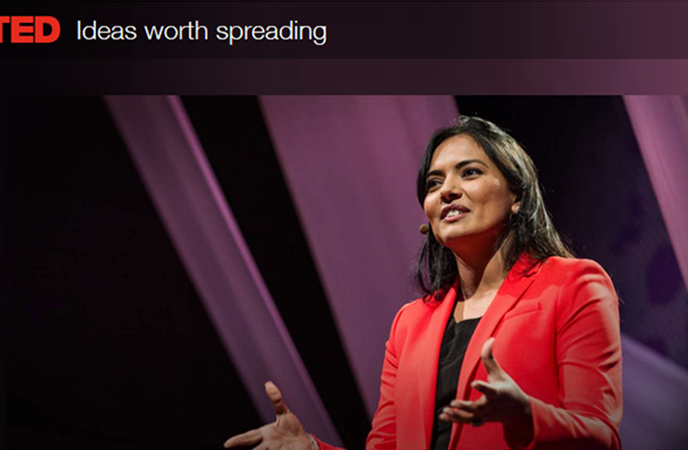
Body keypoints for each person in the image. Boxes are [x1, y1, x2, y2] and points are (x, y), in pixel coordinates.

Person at [224, 116, 622, 450]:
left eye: (470, 172)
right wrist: (311, 448)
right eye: (434, 183)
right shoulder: (409, 324)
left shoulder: (573, 284)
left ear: (516, 195)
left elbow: (601, 435)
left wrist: (526, 416)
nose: (447, 190)